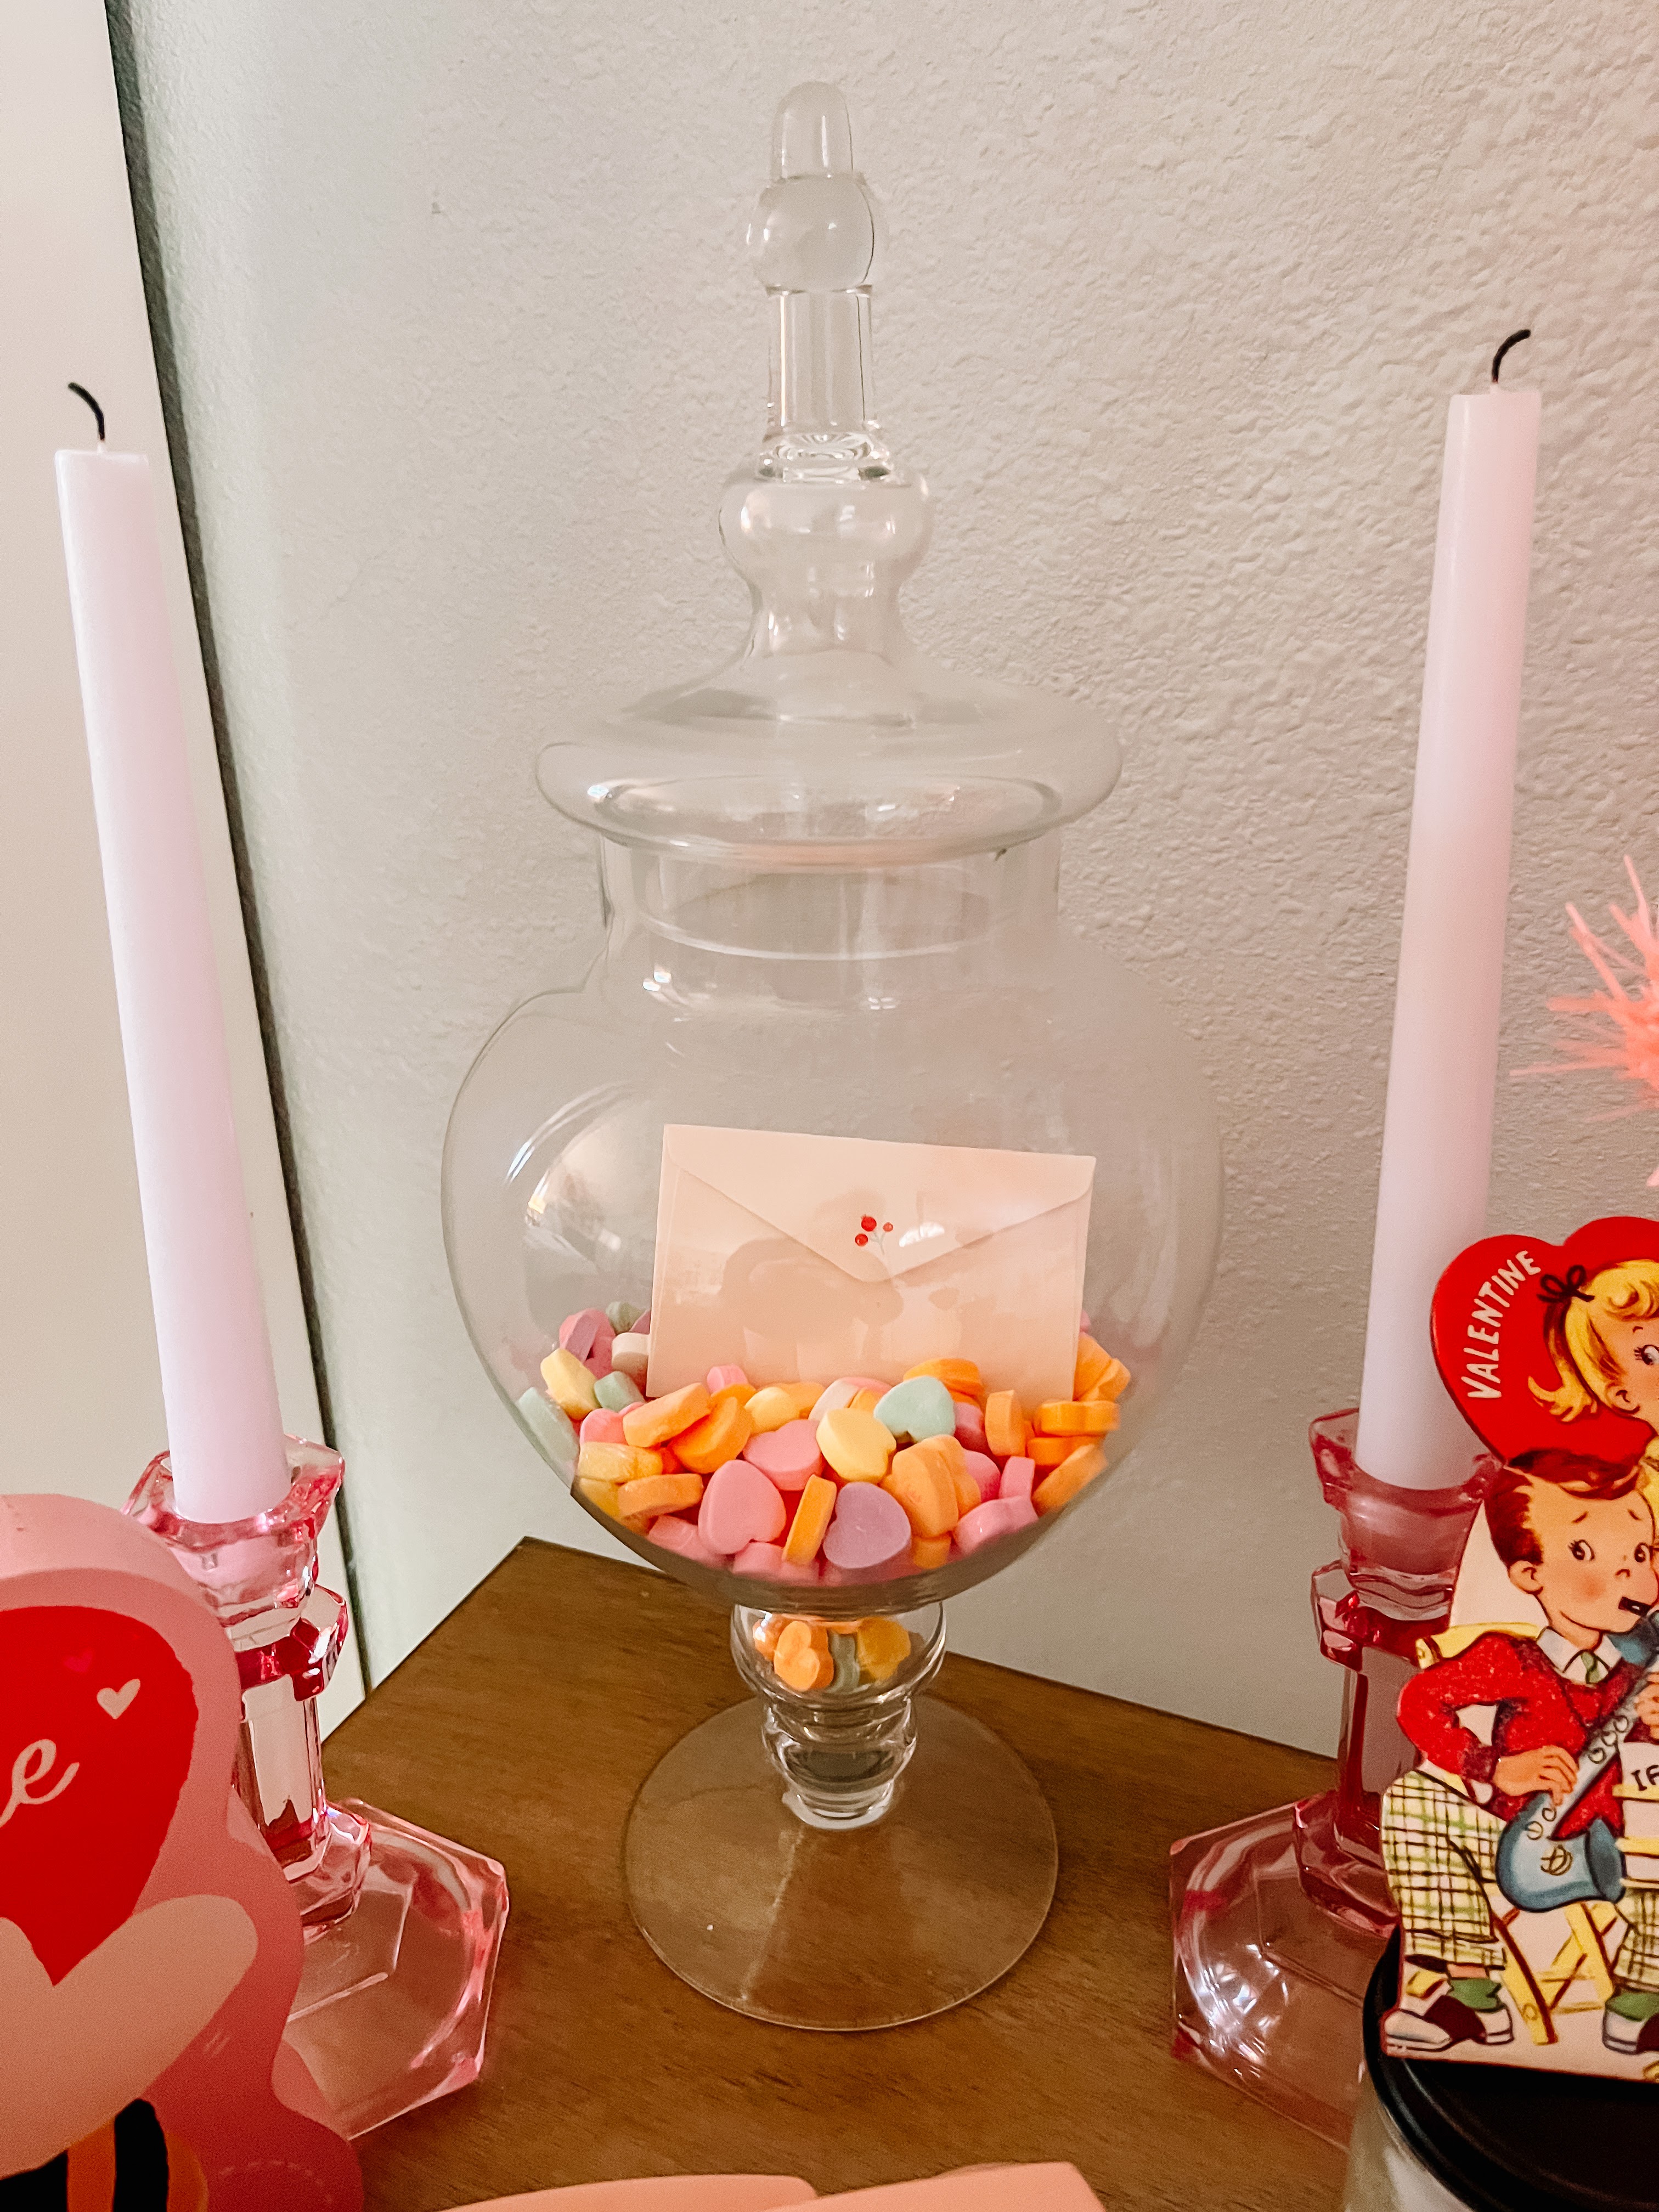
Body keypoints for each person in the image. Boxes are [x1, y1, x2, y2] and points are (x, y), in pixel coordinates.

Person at [1381, 1445, 1659, 2056]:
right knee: (1414, 1801)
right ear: (1531, 1575)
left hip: (1628, 1850)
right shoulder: (1514, 1661)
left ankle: (1640, 2010)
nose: (1629, 1573)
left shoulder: (1644, 1673)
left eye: (1641, 1553)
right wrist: (1492, 1767)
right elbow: (1421, 1703)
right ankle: (1474, 2002)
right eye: (1586, 1551)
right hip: (1515, 1838)